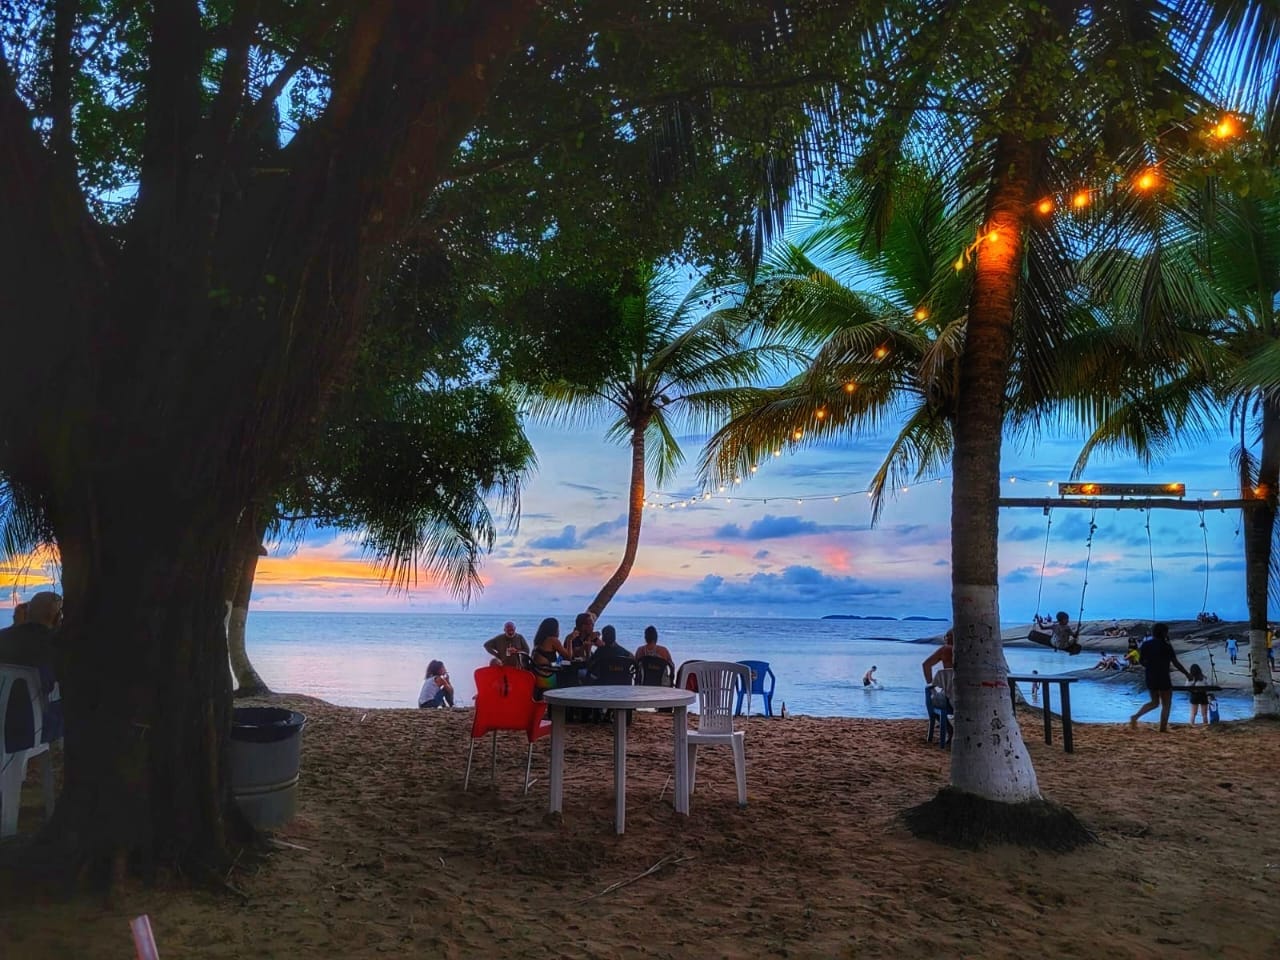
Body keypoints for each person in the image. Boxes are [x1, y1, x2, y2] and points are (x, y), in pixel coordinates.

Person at [0, 591, 64, 742]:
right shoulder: (58, 645)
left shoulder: (3, 638)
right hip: (34, 729)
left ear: (27, 613)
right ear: (57, 618)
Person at [1129, 622, 1191, 732]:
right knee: (1166, 704)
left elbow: (1141, 661)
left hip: (1150, 676)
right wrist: (1186, 674)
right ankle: (1163, 728)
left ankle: (1135, 716)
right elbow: (1176, 663)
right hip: (1163, 677)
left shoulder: (1146, 645)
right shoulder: (1167, 646)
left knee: (1154, 702)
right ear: (1164, 633)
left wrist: (1149, 665)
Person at [529, 617, 572, 694]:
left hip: (538, 672)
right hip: (547, 675)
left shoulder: (538, 640)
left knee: (563, 663)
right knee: (570, 666)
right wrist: (569, 640)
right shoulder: (553, 640)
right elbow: (568, 657)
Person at [922, 629, 955, 709]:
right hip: (973, 696)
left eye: (946, 636)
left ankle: (945, 722)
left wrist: (932, 688)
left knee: (933, 697)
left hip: (950, 696)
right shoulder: (970, 651)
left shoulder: (945, 649)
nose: (945, 638)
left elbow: (926, 665)